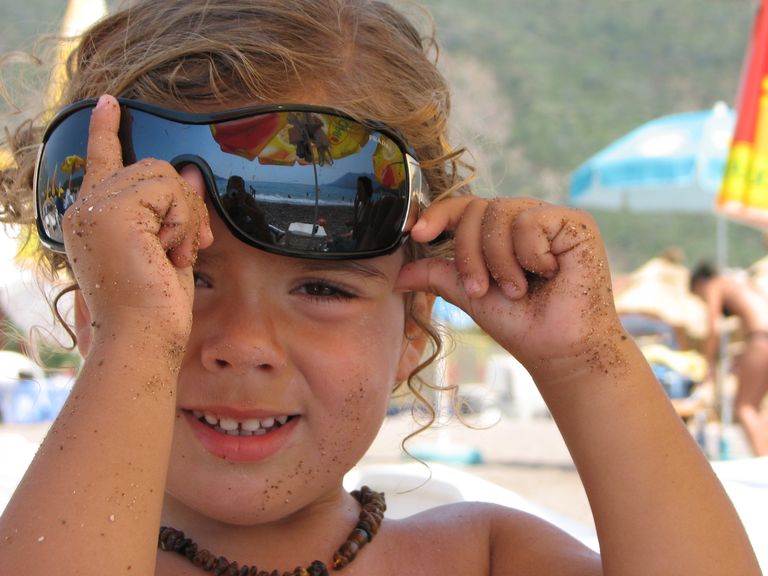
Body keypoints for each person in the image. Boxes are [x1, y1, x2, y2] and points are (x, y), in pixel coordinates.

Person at [0, 1, 760, 574]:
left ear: (415, 331)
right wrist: (139, 342)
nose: (243, 344)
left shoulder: (486, 558)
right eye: (180, 279)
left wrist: (589, 365)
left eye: (322, 290)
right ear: (92, 314)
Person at [690, 261, 768, 456]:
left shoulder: (715, 284)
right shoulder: (739, 281)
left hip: (761, 339)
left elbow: (714, 328)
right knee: (755, 407)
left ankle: (763, 459)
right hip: (761, 339)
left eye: (698, 296)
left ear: (699, 283)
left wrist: (709, 365)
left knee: (744, 408)